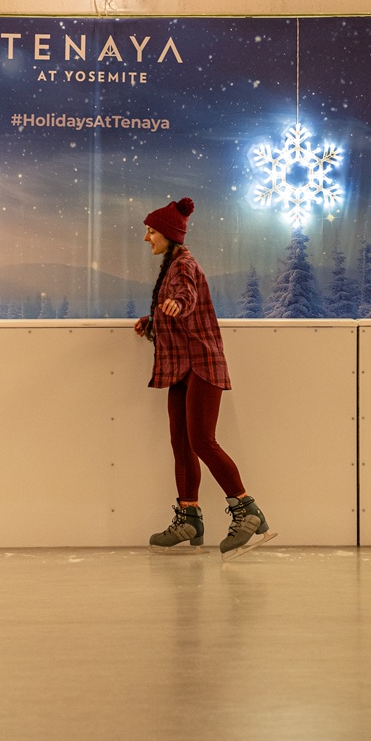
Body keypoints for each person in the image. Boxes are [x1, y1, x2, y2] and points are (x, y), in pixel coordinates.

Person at [134, 196, 275, 560]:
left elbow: (187, 296)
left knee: (202, 441)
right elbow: (176, 311)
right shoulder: (171, 266)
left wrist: (177, 304)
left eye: (151, 231)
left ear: (168, 234)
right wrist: (153, 322)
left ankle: (248, 510)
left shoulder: (183, 266)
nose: (147, 238)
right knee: (181, 443)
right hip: (182, 367)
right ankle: (190, 517)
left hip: (202, 364)